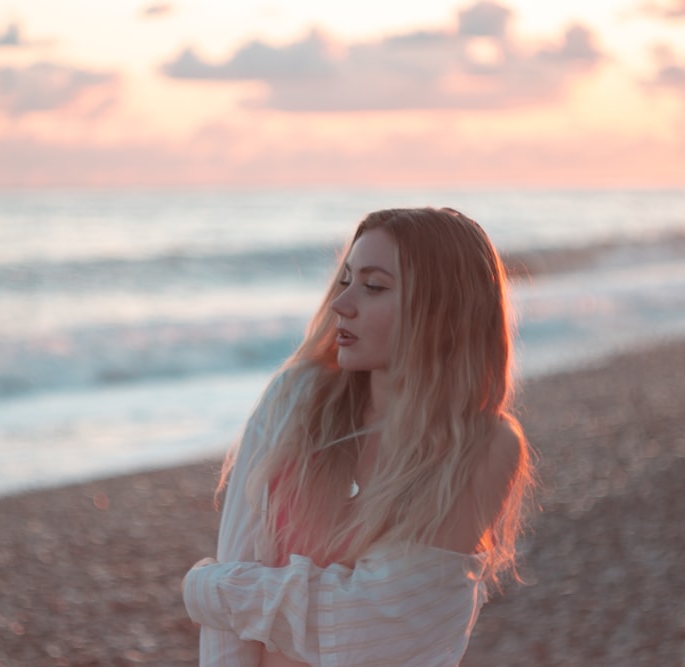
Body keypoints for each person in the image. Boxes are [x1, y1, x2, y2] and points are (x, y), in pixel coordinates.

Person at [182, 207, 535, 666]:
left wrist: (208, 589)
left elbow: (373, 624)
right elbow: (234, 593)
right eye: (345, 280)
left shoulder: (482, 447)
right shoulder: (295, 398)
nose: (340, 304)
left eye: (373, 287)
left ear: (442, 308)